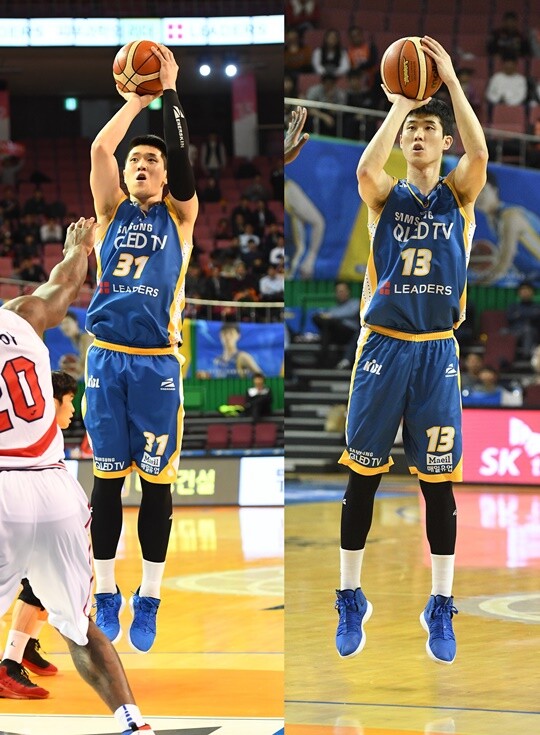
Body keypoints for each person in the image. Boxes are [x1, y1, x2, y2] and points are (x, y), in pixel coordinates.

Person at [334, 36, 488, 665]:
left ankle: (441, 604)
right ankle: (350, 596)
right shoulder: (385, 197)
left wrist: (449, 82)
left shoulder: (460, 196)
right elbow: (364, 173)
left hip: (436, 353)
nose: (420, 135)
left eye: (429, 129)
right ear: (401, 140)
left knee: (439, 487)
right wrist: (399, 103)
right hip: (382, 347)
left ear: (444, 141)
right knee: (362, 478)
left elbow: (480, 152)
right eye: (411, 130)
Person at [0, 218, 156, 733]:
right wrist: (79, 249)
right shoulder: (21, 316)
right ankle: (133, 723)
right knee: (81, 629)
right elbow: (65, 284)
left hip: (3, 488)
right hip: (53, 487)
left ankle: (12, 660)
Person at [84, 43, 198, 654]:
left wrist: (169, 91)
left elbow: (180, 157)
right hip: (106, 356)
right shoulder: (108, 212)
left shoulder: (180, 217)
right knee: (106, 483)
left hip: (156, 364)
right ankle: (106, 591)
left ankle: (149, 597)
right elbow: (101, 150)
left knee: (157, 484)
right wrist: (134, 101)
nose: (142, 165)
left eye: (152, 160)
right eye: (137, 161)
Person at [0, 370, 78, 695]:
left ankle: (24, 647)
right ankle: (9, 663)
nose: (73, 409)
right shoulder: (33, 436)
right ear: (53, 401)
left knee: (49, 579)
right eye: (70, 401)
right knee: (43, 580)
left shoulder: (40, 432)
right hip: (16, 510)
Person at [472, 170, 540, 286]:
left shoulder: (510, 217)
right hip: (531, 279)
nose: (478, 197)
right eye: (474, 193)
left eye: (482, 190)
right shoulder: (493, 218)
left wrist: (477, 285)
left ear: (495, 190)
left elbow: (504, 263)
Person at [312, 281, 359, 368]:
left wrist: (330, 316)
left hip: (350, 332)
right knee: (321, 322)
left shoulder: (355, 303)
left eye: (342, 291)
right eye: (338, 291)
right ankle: (323, 358)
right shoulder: (334, 308)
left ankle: (322, 358)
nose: (340, 293)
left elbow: (352, 312)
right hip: (336, 334)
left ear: (348, 291)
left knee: (330, 323)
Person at [506, 280, 540, 358]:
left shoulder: (537, 307)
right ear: (519, 292)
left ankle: (526, 355)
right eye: (523, 289)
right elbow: (510, 318)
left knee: (528, 330)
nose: (525, 292)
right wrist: (531, 314)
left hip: (533, 333)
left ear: (532, 292)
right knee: (503, 333)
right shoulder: (513, 306)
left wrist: (519, 314)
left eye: (528, 289)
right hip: (515, 332)